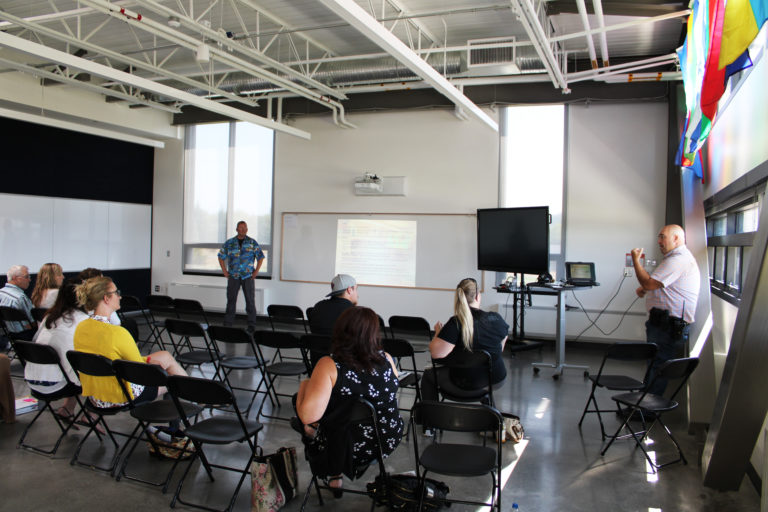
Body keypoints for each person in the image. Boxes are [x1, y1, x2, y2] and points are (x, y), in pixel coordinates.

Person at [295, 306, 403, 494]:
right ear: (374, 334)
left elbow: (307, 415)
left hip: (345, 446)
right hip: (386, 439)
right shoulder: (387, 359)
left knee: (309, 410)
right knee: (345, 407)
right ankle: (335, 473)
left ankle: (333, 471)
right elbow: (391, 390)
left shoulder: (329, 365)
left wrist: (305, 384)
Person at [73, 276, 187, 410]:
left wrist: (150, 361)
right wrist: (154, 365)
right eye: (116, 293)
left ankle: (197, 397)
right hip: (121, 396)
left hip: (96, 397)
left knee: (165, 356)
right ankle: (197, 399)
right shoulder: (117, 333)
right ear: (106, 298)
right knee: (172, 377)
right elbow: (140, 370)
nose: (120, 297)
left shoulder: (81, 327)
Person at [631, 224, 700, 395]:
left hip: (667, 325)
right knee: (654, 364)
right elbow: (663, 284)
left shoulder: (678, 260)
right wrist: (646, 289)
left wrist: (635, 261)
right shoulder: (674, 258)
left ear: (676, 238)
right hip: (664, 323)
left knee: (658, 365)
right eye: (659, 237)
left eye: (663, 237)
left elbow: (649, 282)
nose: (659, 241)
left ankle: (648, 408)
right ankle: (644, 404)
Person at [422, 277, 509, 403]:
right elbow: (499, 349)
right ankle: (490, 411)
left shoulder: (455, 323)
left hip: (464, 384)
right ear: (478, 297)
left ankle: (430, 417)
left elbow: (436, 353)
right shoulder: (496, 318)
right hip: (496, 379)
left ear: (459, 298)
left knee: (428, 375)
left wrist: (438, 334)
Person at [24, 279, 87, 421]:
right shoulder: (82, 321)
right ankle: (92, 415)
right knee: (97, 370)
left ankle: (68, 409)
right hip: (56, 385)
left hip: (33, 381)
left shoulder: (50, 316)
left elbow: (35, 341)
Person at [218, 221, 265, 330]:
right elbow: (221, 256)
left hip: (247, 276)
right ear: (236, 229)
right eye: (240, 228)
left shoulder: (252, 242)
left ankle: (251, 325)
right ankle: (228, 324)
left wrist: (256, 271)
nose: (243, 230)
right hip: (233, 276)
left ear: (247, 229)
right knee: (231, 300)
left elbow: (260, 257)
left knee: (250, 300)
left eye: (244, 228)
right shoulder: (229, 243)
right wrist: (224, 271)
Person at [0, 265, 36, 344]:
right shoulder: (20, 298)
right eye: (27, 277)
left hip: (10, 335)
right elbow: (32, 323)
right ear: (15, 278)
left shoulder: (1, 293)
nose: (29, 280)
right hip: (26, 336)